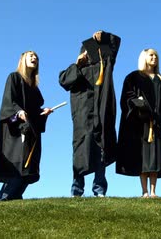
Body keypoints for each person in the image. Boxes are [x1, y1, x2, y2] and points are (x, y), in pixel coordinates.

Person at [59, 30, 121, 197]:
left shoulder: (105, 65)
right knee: (81, 150)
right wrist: (78, 64)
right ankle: (77, 190)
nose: (89, 54)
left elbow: (116, 43)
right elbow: (64, 81)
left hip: (102, 113)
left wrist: (105, 37)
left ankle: (99, 190)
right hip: (82, 115)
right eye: (86, 51)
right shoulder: (78, 69)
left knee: (102, 148)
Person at [0, 51, 53, 201]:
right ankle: (3, 200)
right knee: (18, 167)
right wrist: (18, 111)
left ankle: (13, 198)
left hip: (30, 132)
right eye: (30, 56)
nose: (34, 58)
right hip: (15, 131)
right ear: (22, 60)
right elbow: (9, 101)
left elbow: (33, 112)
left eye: (37, 57)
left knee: (28, 168)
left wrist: (42, 113)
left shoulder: (34, 87)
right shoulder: (14, 78)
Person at [116, 49, 161, 198]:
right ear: (144, 58)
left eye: (156, 55)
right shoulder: (134, 77)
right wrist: (139, 104)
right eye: (151, 55)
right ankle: (144, 192)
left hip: (156, 123)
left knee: (155, 157)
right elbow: (127, 97)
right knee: (142, 157)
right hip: (140, 123)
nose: (154, 57)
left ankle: (154, 191)